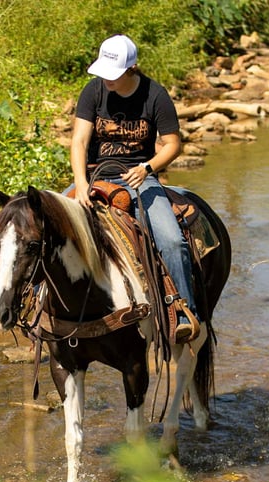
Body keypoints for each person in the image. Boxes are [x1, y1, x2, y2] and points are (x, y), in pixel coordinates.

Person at [68, 34, 198, 343]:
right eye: (104, 73)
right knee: (48, 223)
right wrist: (82, 183)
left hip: (139, 177)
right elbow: (79, 141)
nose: (107, 80)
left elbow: (173, 144)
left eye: (114, 74)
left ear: (132, 68)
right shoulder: (93, 91)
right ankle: (37, 305)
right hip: (94, 175)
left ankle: (183, 311)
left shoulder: (155, 95)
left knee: (171, 240)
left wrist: (147, 168)